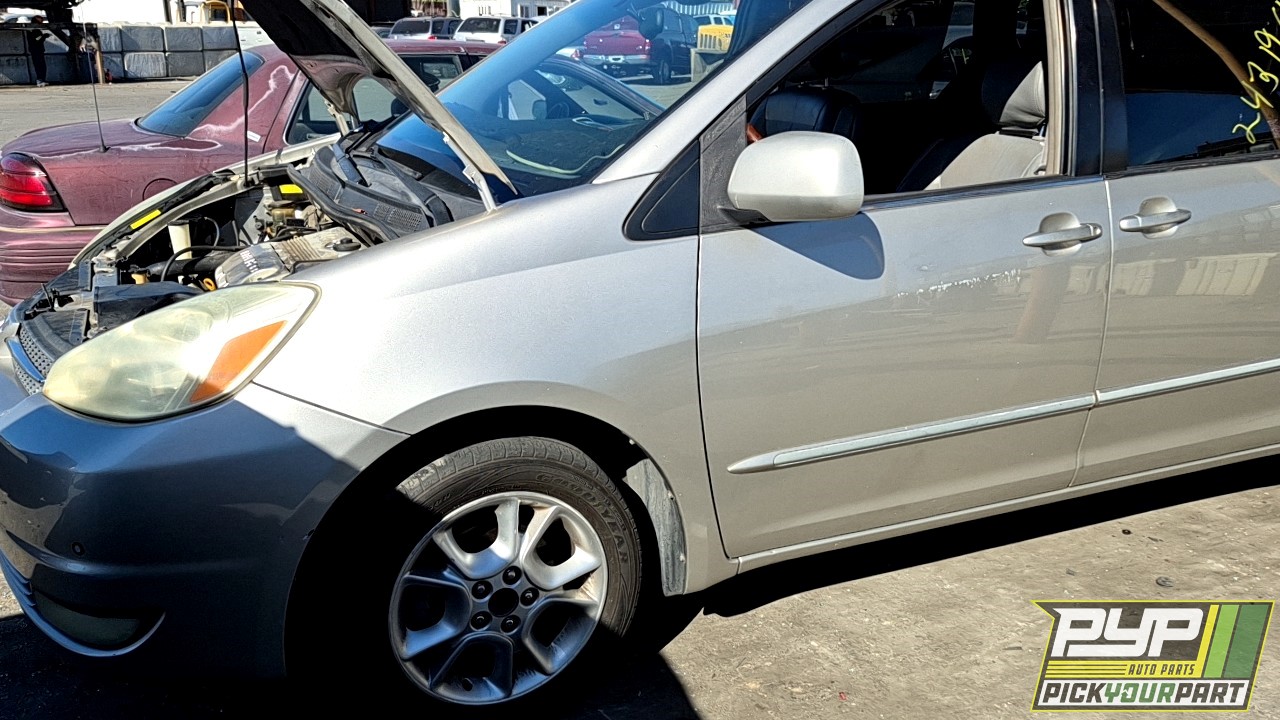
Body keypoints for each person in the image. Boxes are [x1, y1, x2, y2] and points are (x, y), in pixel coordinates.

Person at [27, 16, 48, 87]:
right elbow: (37, 40)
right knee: (40, 66)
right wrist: (44, 36)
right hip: (36, 50)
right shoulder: (34, 30)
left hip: (36, 50)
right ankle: (40, 80)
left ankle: (42, 80)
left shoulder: (32, 30)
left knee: (40, 66)